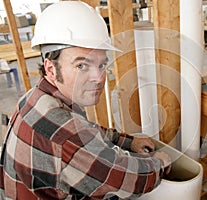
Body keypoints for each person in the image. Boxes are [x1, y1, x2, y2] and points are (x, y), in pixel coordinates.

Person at [0, 1, 171, 199]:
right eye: (82, 65)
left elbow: (86, 130)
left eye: (101, 65)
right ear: (51, 68)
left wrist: (128, 142)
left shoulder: (36, 96)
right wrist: (160, 163)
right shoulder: (64, 134)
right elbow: (127, 179)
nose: (98, 78)